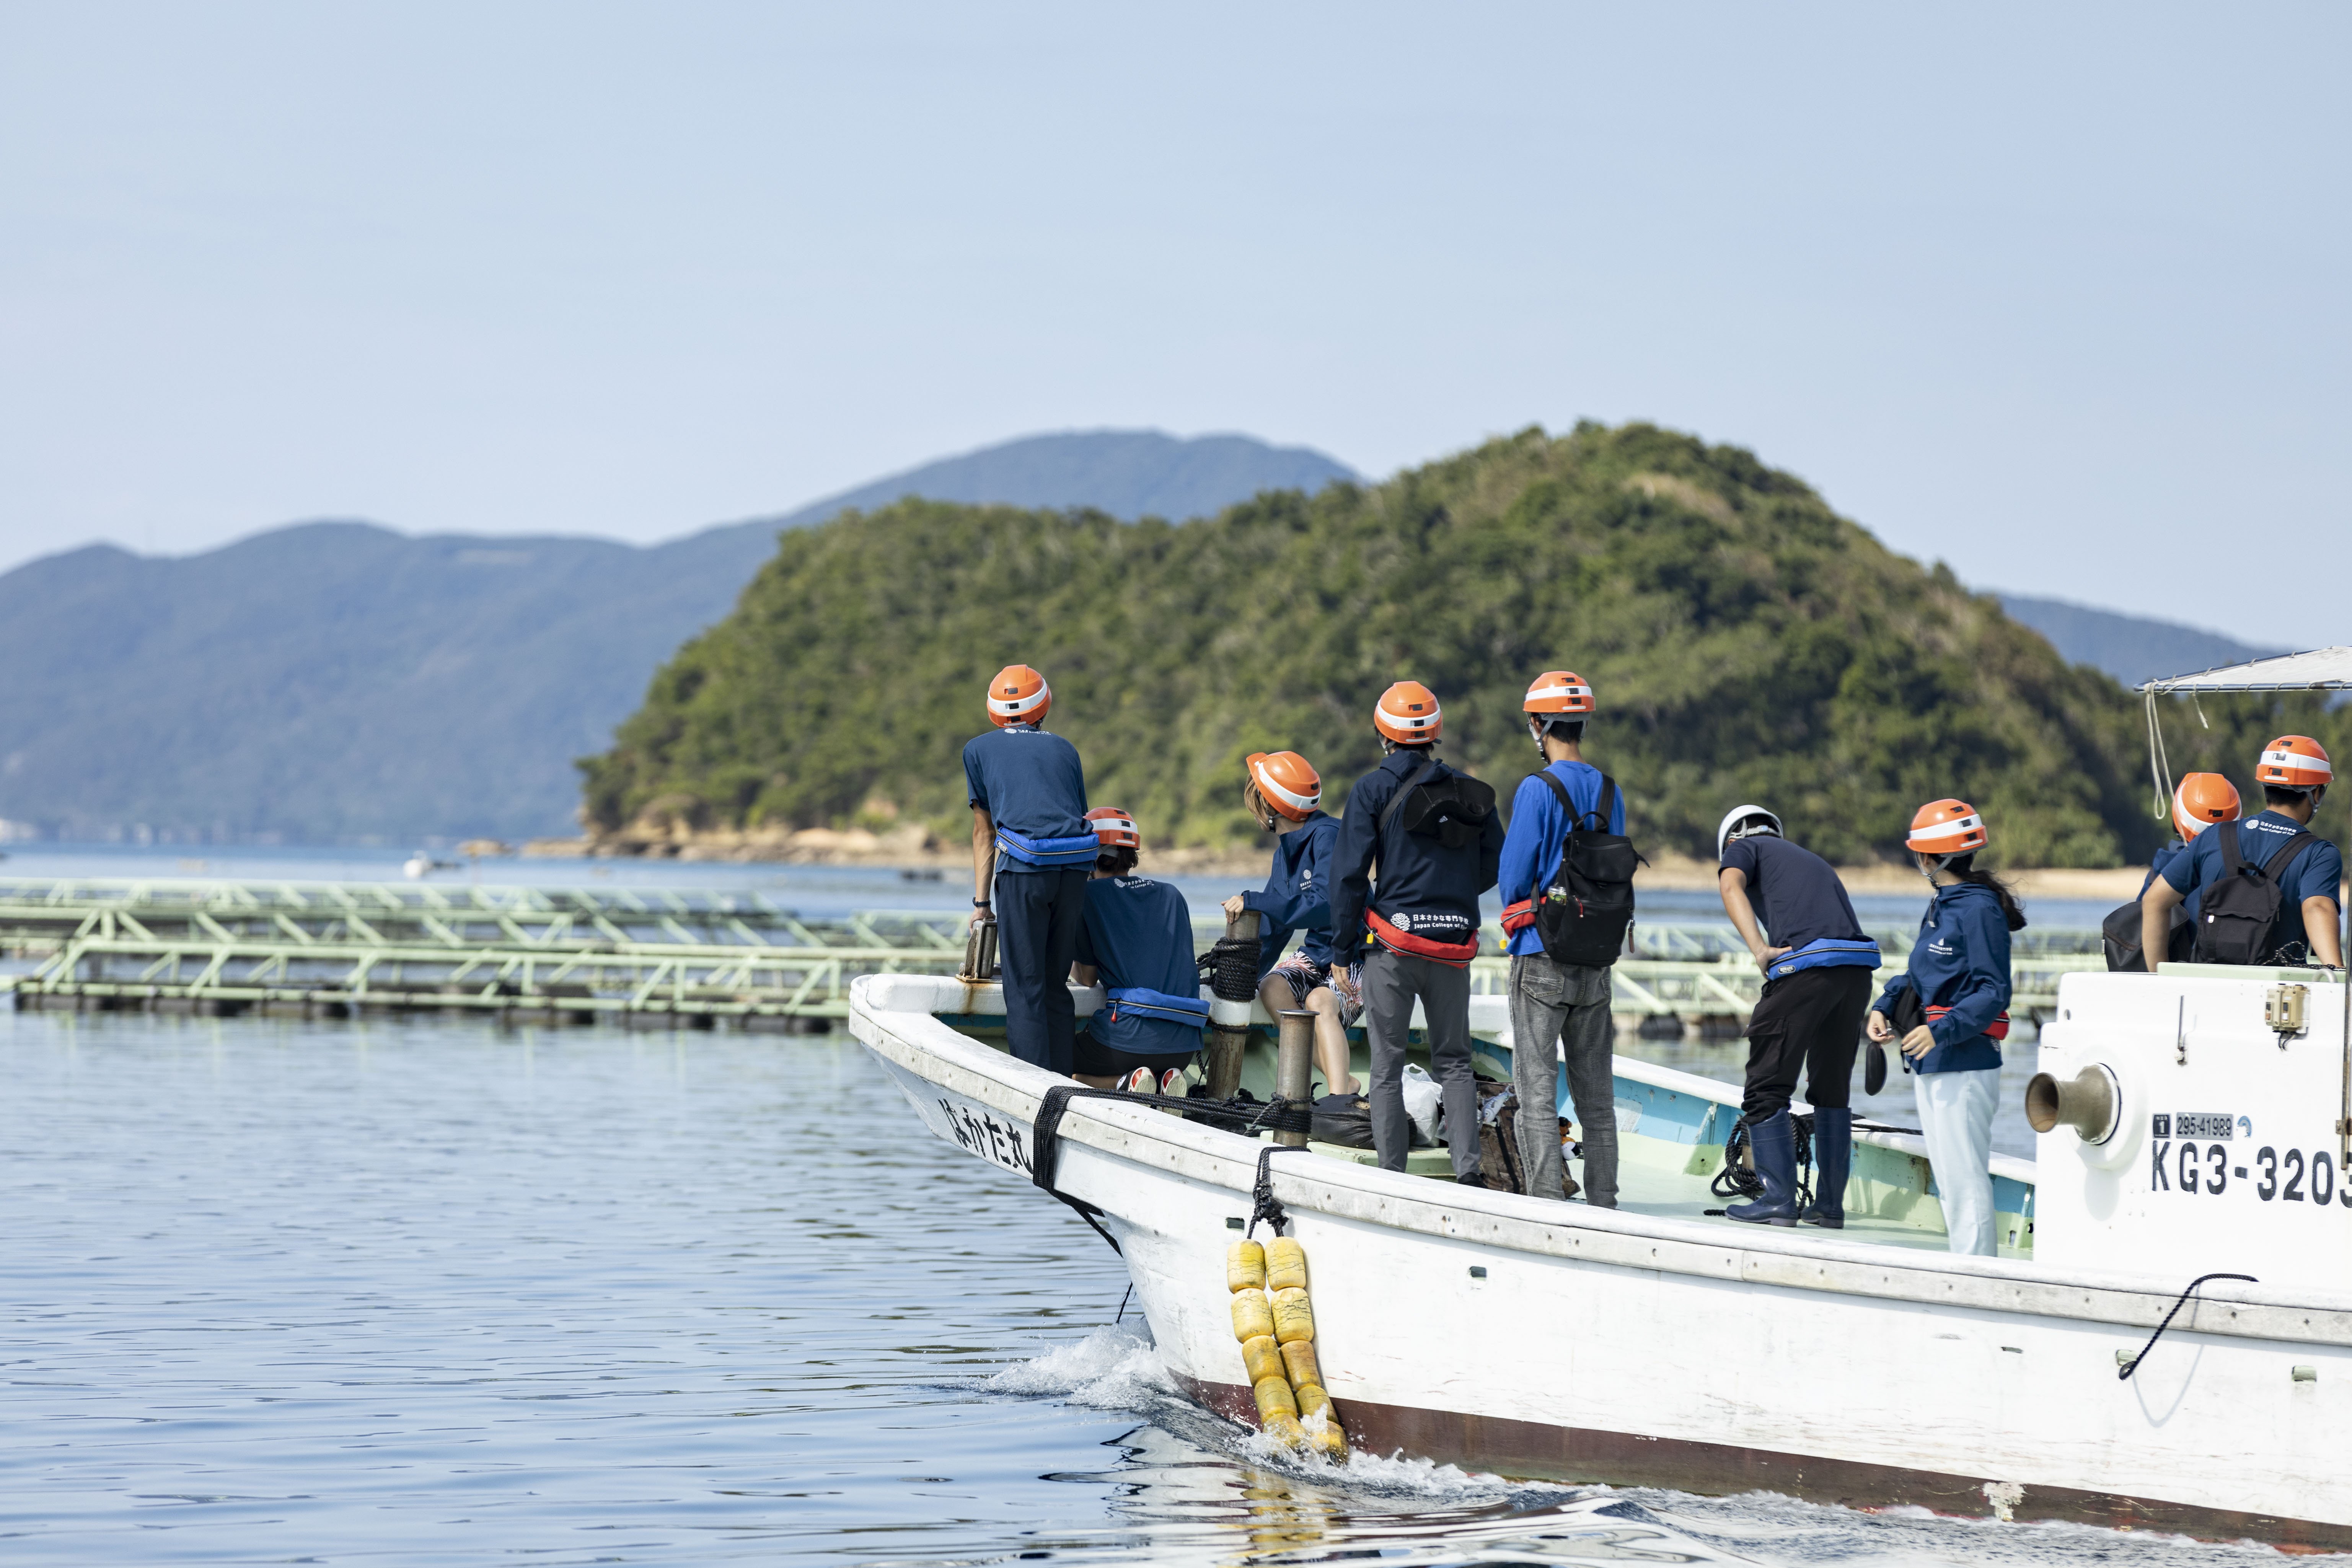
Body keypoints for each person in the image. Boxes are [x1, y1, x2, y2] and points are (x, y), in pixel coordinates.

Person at [1327, 681, 1504, 1183]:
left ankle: (1393, 1176)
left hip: (1393, 946)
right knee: (1454, 1062)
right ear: (1435, 732)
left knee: (1386, 1064)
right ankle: (1468, 1174)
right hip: (1452, 946)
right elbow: (1497, 859)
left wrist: (1342, 948)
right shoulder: (1468, 790)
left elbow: (1346, 876)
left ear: (1382, 733)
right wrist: (1453, 892)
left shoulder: (1370, 788)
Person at [1866, 799, 2023, 1258]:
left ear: (1929, 859)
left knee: (1964, 1178)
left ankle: (1976, 1276)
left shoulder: (1978, 911)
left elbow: (1994, 990)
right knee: (1950, 1178)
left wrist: (1942, 1030)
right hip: (1933, 1061)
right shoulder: (1944, 904)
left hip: (1965, 1064)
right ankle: (1966, 1267)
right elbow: (1921, 975)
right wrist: (1885, 1005)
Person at [1713, 804, 1879, 1228]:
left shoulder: (1744, 848)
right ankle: (1828, 1208)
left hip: (1810, 972)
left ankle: (1777, 1201)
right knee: (1831, 1090)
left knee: (1766, 1086)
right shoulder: (1808, 859)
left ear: (1735, 839)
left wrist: (1759, 950)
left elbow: (1731, 887)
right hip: (1856, 973)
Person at [1495, 670, 1620, 1206]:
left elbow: (1512, 875)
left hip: (1539, 954)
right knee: (1596, 1097)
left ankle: (1545, 1199)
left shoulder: (1536, 788)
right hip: (1596, 958)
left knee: (1536, 1093)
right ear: (1582, 722)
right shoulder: (1609, 789)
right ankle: (1605, 1200)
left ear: (1538, 724)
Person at [963, 663, 1094, 1074]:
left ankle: (1033, 1091)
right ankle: (1063, 1083)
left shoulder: (977, 750)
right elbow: (1077, 813)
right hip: (1073, 871)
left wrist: (982, 903)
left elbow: (984, 833)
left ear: (993, 710)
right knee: (1056, 983)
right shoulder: (1066, 749)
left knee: (1025, 988)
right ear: (1043, 707)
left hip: (1024, 872)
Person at [1219, 750, 1360, 1096]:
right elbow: (1274, 928)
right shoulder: (1284, 853)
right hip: (1317, 953)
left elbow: (1327, 905)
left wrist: (1253, 899)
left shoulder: (1329, 835)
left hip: (1358, 953)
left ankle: (1339, 1098)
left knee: (1319, 1002)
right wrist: (1236, 979)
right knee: (1272, 988)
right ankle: (1345, 1079)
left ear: (1269, 806)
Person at [2143, 737, 2342, 969]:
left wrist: (2161, 979)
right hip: (2277, 995)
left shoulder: (2215, 835)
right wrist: (2338, 981)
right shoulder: (2319, 854)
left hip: (2207, 989)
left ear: (2265, 785)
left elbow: (2154, 901)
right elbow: (2317, 908)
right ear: (2316, 793)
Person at [1069, 808, 1209, 1092]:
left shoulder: (1086, 896)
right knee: (1154, 1060)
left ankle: (1125, 1084)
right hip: (1183, 1048)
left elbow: (1086, 979)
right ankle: (1163, 1081)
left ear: (1089, 853)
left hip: (1125, 1041)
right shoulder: (1172, 894)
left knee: (1054, 1062)